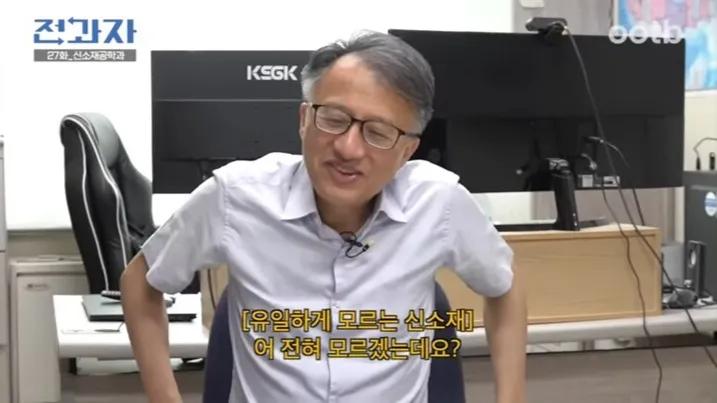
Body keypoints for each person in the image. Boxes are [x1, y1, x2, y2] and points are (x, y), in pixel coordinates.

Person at [121, 31, 527, 403]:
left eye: (378, 132)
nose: (348, 148)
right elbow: (141, 281)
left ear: (407, 151)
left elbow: (504, 287)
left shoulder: (439, 202)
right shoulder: (236, 196)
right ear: (304, 120)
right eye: (333, 119)